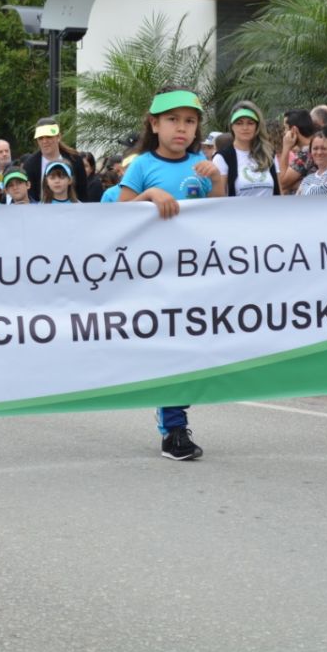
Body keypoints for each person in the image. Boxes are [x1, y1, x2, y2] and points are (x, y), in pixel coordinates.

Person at [118, 86, 225, 461]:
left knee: (194, 350)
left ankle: (173, 412)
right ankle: (174, 429)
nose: (181, 128)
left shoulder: (204, 165)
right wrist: (148, 198)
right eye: (172, 120)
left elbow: (223, 218)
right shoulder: (142, 166)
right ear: (154, 123)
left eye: (190, 121)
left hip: (198, 274)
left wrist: (219, 182)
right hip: (156, 277)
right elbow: (117, 214)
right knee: (171, 349)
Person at [212, 101, 278, 198]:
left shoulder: (269, 154)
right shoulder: (222, 158)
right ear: (232, 126)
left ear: (257, 127)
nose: (245, 128)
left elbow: (279, 191)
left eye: (250, 123)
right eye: (239, 123)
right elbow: (218, 198)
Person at [24, 117, 87, 202]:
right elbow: (30, 195)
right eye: (40, 138)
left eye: (49, 137)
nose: (45, 141)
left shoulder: (75, 159)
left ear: (58, 137)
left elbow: (83, 192)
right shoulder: (30, 164)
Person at [278, 109, 315, 194]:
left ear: (294, 130)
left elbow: (282, 183)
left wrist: (286, 148)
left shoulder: (306, 154)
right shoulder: (311, 149)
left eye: (285, 128)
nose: (284, 133)